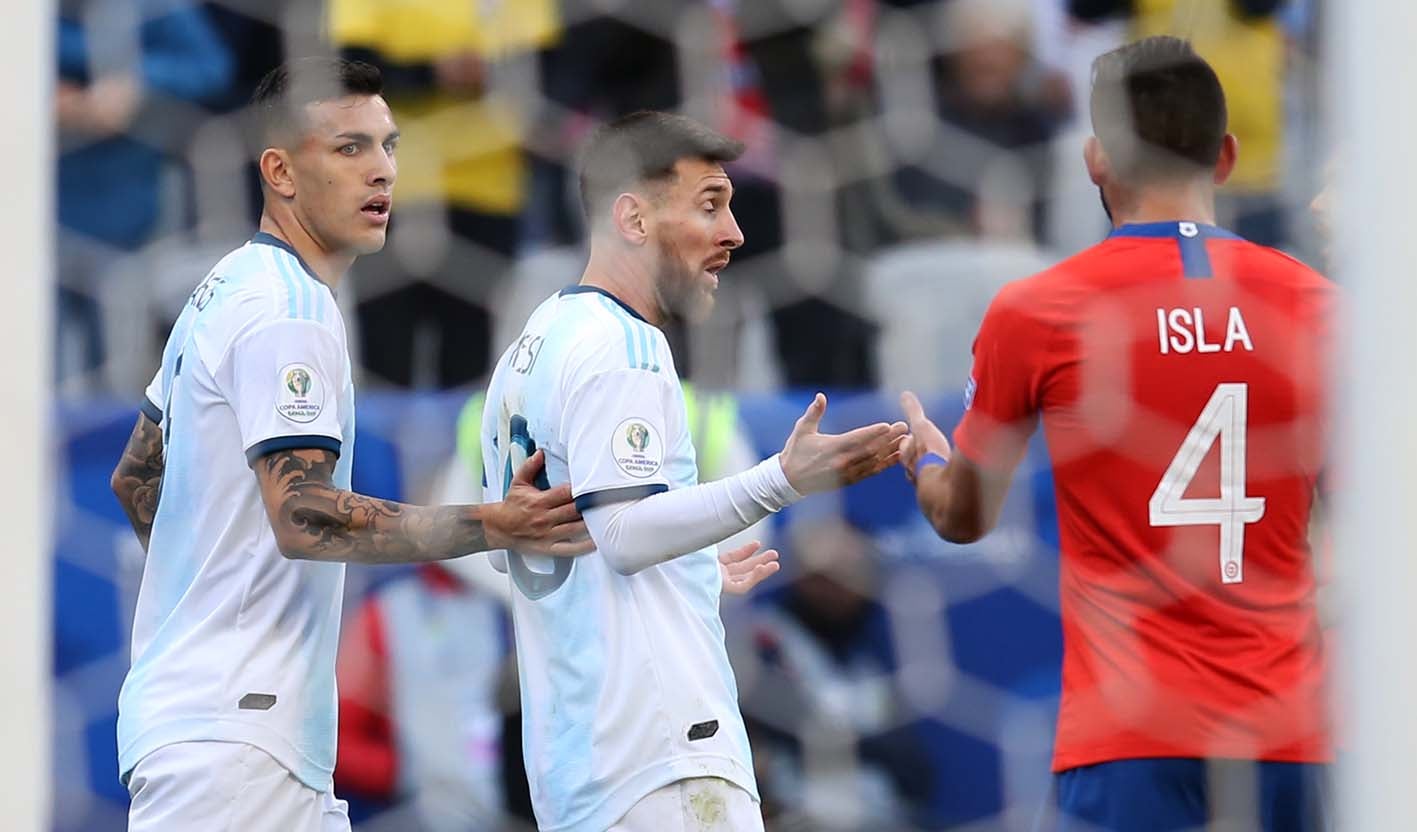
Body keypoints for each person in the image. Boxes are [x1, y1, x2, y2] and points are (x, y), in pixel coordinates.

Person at [107, 57, 591, 832]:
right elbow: (302, 514)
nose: (383, 172)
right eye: (349, 149)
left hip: (216, 722)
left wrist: (207, 600)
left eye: (389, 146)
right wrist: (491, 524)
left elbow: (135, 479)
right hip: (240, 738)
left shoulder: (225, 288)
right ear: (280, 170)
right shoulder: (288, 309)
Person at [897, 37, 1335, 830]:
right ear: (1227, 156)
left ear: (1095, 159)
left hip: (1130, 734)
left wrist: (924, 456)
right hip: (1289, 739)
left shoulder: (1041, 309)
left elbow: (964, 518)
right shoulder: (1313, 304)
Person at [479, 110, 909, 832]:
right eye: (710, 204)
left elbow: (543, 544)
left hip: (575, 763)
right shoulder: (626, 346)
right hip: (662, 757)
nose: (734, 233)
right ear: (633, 218)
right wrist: (782, 479)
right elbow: (622, 533)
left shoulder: (534, 345)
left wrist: (689, 579)